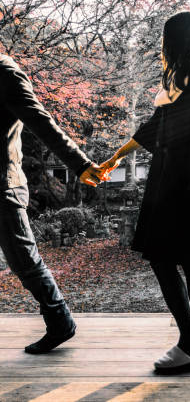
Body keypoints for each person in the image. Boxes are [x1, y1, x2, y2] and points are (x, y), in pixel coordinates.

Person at [102, 11, 190, 372]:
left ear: (174, 40)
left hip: (187, 188)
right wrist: (114, 158)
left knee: (164, 260)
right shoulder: (183, 79)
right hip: (174, 183)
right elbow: (154, 127)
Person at [0, 55, 107, 354]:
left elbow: (42, 121)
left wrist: (80, 163)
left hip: (3, 187)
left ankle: (60, 321)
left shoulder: (5, 73)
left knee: (25, 262)